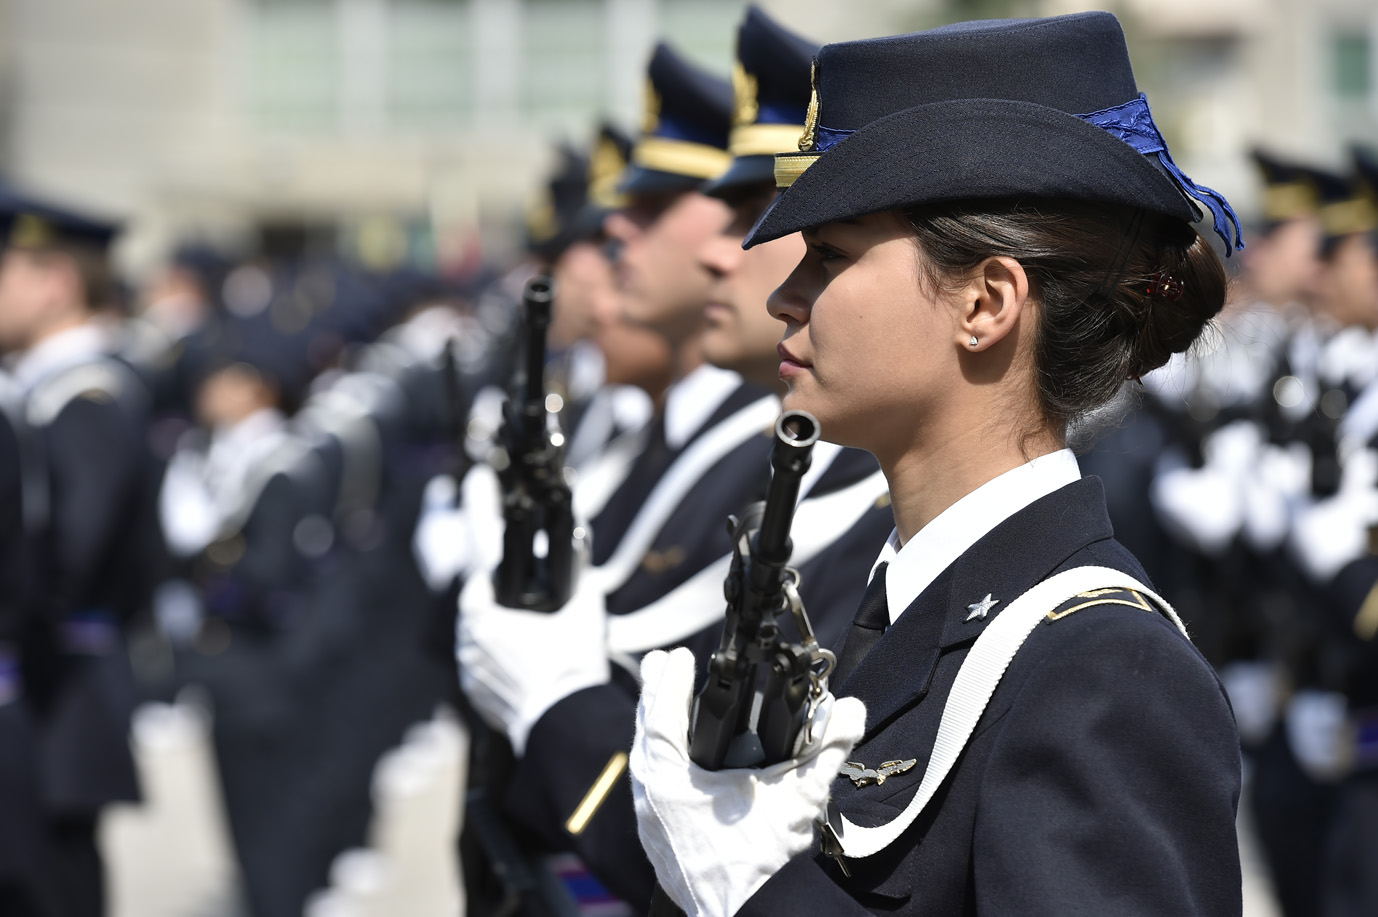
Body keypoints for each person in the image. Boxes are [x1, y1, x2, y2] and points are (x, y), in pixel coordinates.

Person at [629, 12, 1244, 916]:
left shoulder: (1104, 672)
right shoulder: (896, 608)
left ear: (986, 302)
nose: (783, 298)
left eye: (829, 257)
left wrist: (751, 895)